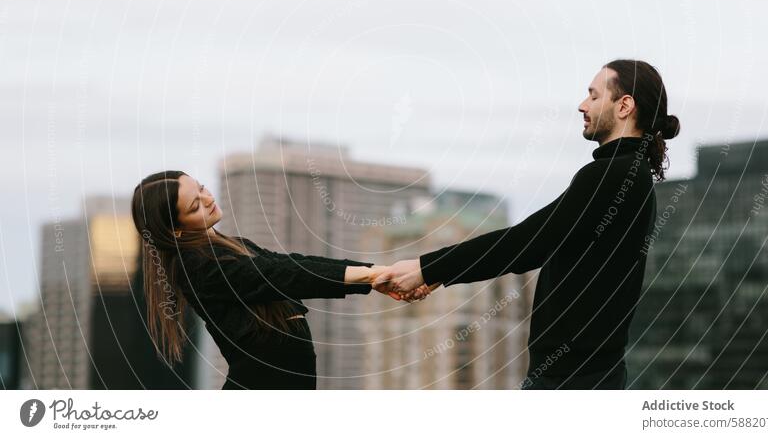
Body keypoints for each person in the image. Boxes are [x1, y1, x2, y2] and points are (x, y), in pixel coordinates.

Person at [374, 59, 681, 389]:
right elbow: (544, 240)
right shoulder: (629, 175)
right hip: (586, 377)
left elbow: (526, 242)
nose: (582, 105)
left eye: (593, 96)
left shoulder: (613, 175)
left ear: (624, 106)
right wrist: (437, 274)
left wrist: (426, 268)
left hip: (572, 382)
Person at [131, 170, 413, 390]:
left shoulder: (235, 245)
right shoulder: (197, 268)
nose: (208, 199)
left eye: (202, 188)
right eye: (195, 206)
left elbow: (290, 263)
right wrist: (375, 275)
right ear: (175, 230)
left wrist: (375, 272)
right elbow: (283, 276)